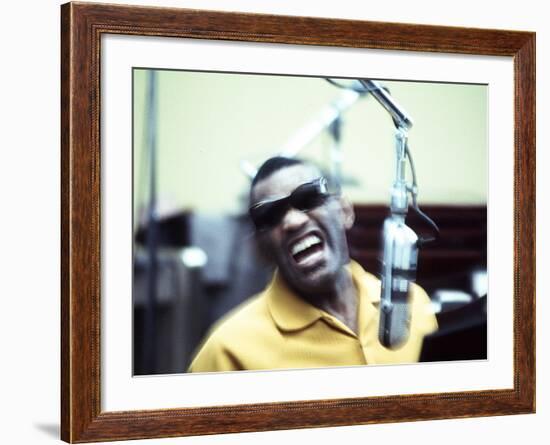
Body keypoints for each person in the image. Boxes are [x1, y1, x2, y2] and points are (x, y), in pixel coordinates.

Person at [188, 157, 437, 372]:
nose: (293, 221)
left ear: (345, 211)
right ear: (260, 249)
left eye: (308, 198)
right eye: (271, 216)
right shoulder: (228, 349)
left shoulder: (415, 305)